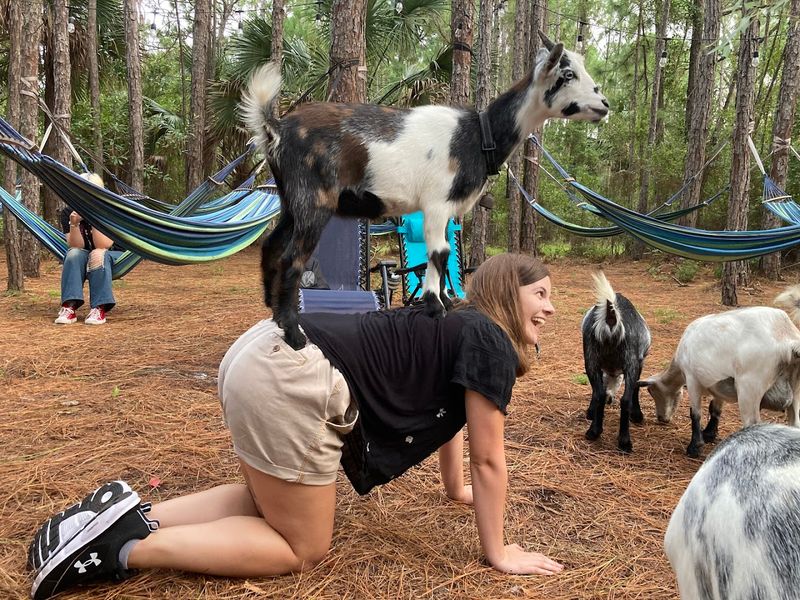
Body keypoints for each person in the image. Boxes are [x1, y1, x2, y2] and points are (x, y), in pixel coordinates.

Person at [28, 253, 561, 599]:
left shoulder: (456, 321)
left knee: (265, 502)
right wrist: (500, 552)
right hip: (294, 377)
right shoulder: (490, 340)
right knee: (300, 546)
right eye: (539, 293)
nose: (551, 308)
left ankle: (130, 517)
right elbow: (490, 458)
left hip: (263, 348)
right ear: (503, 295)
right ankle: (122, 550)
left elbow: (456, 423)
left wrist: (455, 489)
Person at [54, 172, 119, 326]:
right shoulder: (69, 212)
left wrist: (94, 217)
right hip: (85, 254)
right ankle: (69, 306)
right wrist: (74, 224)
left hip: (114, 254)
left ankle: (99, 307)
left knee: (97, 253)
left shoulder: (108, 209)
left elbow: (103, 245)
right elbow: (76, 246)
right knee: (73, 254)